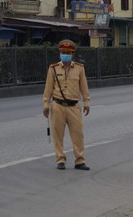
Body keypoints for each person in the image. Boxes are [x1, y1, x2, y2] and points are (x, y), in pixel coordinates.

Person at [42, 39, 91, 170]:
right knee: (58, 134)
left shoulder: (79, 69)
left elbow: (84, 87)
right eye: (63, 52)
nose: (65, 54)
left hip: (74, 106)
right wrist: (46, 104)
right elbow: (48, 89)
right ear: (60, 52)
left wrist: (86, 102)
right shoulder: (53, 69)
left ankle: (80, 160)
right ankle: (60, 159)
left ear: (72, 54)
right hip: (58, 105)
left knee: (78, 134)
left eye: (68, 52)